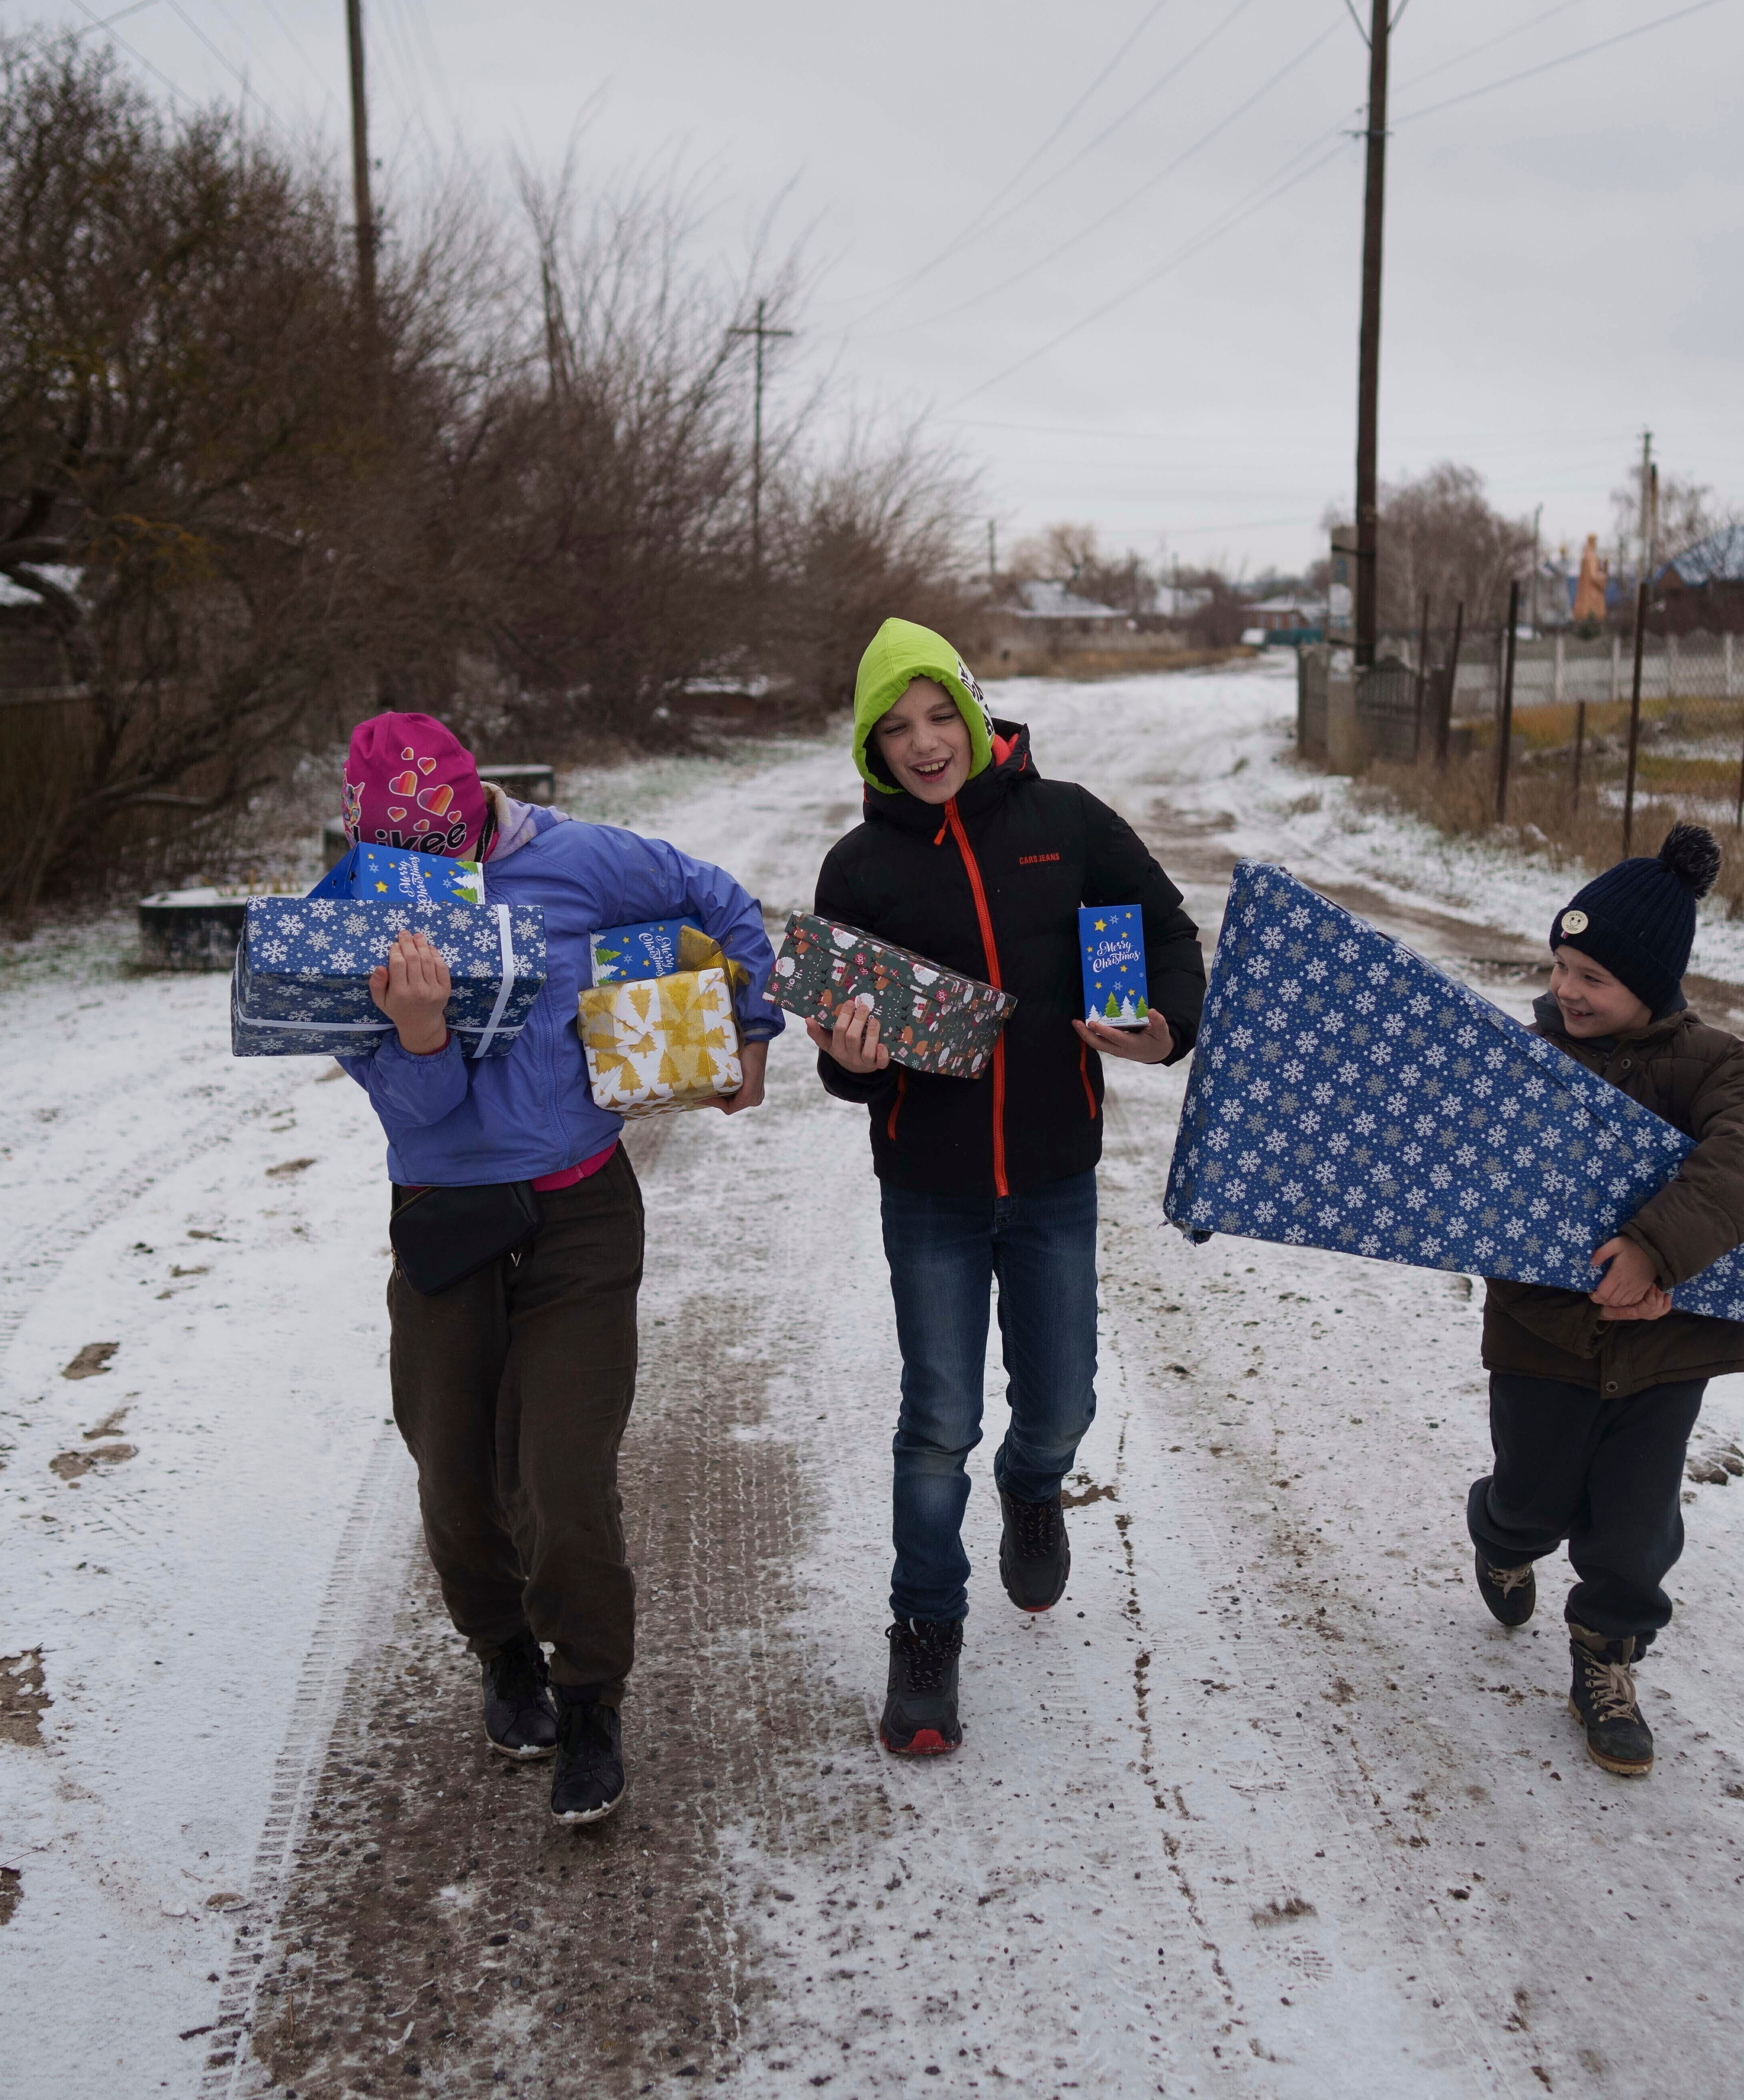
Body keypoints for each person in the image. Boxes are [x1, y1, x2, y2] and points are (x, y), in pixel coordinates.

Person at [335, 712, 780, 1826]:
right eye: (409, 856)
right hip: (446, 1219)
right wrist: (421, 1033)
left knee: (565, 1475)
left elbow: (718, 900)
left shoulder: (576, 859)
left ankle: (589, 1697)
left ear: (482, 804)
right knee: (456, 1479)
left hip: (582, 1207)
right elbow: (417, 1115)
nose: (437, 872)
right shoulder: (350, 918)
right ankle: (505, 1658)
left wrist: (750, 1026)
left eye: (454, 843)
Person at [803, 621, 1204, 1757]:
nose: (925, 744)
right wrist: (853, 1058)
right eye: (896, 729)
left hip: (1052, 1174)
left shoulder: (1066, 823)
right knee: (937, 1421)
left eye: (939, 717)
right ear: (872, 749)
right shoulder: (861, 867)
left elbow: (1167, 930)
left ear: (975, 714)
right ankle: (926, 1633)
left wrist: (1166, 1026)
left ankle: (1035, 1486)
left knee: (1064, 1400)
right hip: (927, 1186)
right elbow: (839, 1040)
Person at [1468, 824, 1744, 1779]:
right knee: (1533, 1500)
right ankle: (1499, 1533)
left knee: (1634, 1529)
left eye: (1595, 977)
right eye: (1562, 965)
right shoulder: (1526, 1062)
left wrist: (1657, 1252)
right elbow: (1482, 1195)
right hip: (1542, 1339)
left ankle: (1605, 1661)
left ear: (1651, 985)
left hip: (1667, 1351)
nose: (1567, 989)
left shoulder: (1717, 1066)